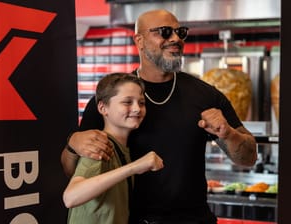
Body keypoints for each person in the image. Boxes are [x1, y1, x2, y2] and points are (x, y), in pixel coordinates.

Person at [61, 9, 257, 224]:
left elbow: (248, 158)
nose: (175, 39)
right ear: (140, 40)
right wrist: (73, 145)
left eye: (180, 32)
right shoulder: (112, 100)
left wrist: (228, 134)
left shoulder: (206, 95)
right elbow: (73, 173)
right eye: (164, 32)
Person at [63, 73, 164, 224]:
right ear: (103, 108)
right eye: (127, 102)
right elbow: (70, 197)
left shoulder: (121, 148)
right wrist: (135, 167)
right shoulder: (100, 146)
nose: (137, 108)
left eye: (141, 103)